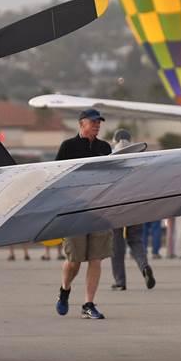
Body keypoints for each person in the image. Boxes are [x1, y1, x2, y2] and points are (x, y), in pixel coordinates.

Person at [54, 109, 113, 320]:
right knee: (74, 261)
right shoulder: (68, 147)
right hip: (74, 211)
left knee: (96, 258)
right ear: (81, 123)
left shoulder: (105, 148)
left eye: (99, 122)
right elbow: (56, 177)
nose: (97, 125)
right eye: (93, 122)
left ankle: (88, 304)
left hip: (99, 210)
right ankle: (65, 289)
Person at [110, 129, 155, 291]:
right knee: (135, 240)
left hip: (115, 207)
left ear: (114, 140)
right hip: (136, 205)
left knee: (116, 244)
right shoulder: (138, 158)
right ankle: (144, 266)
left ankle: (120, 281)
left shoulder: (110, 159)